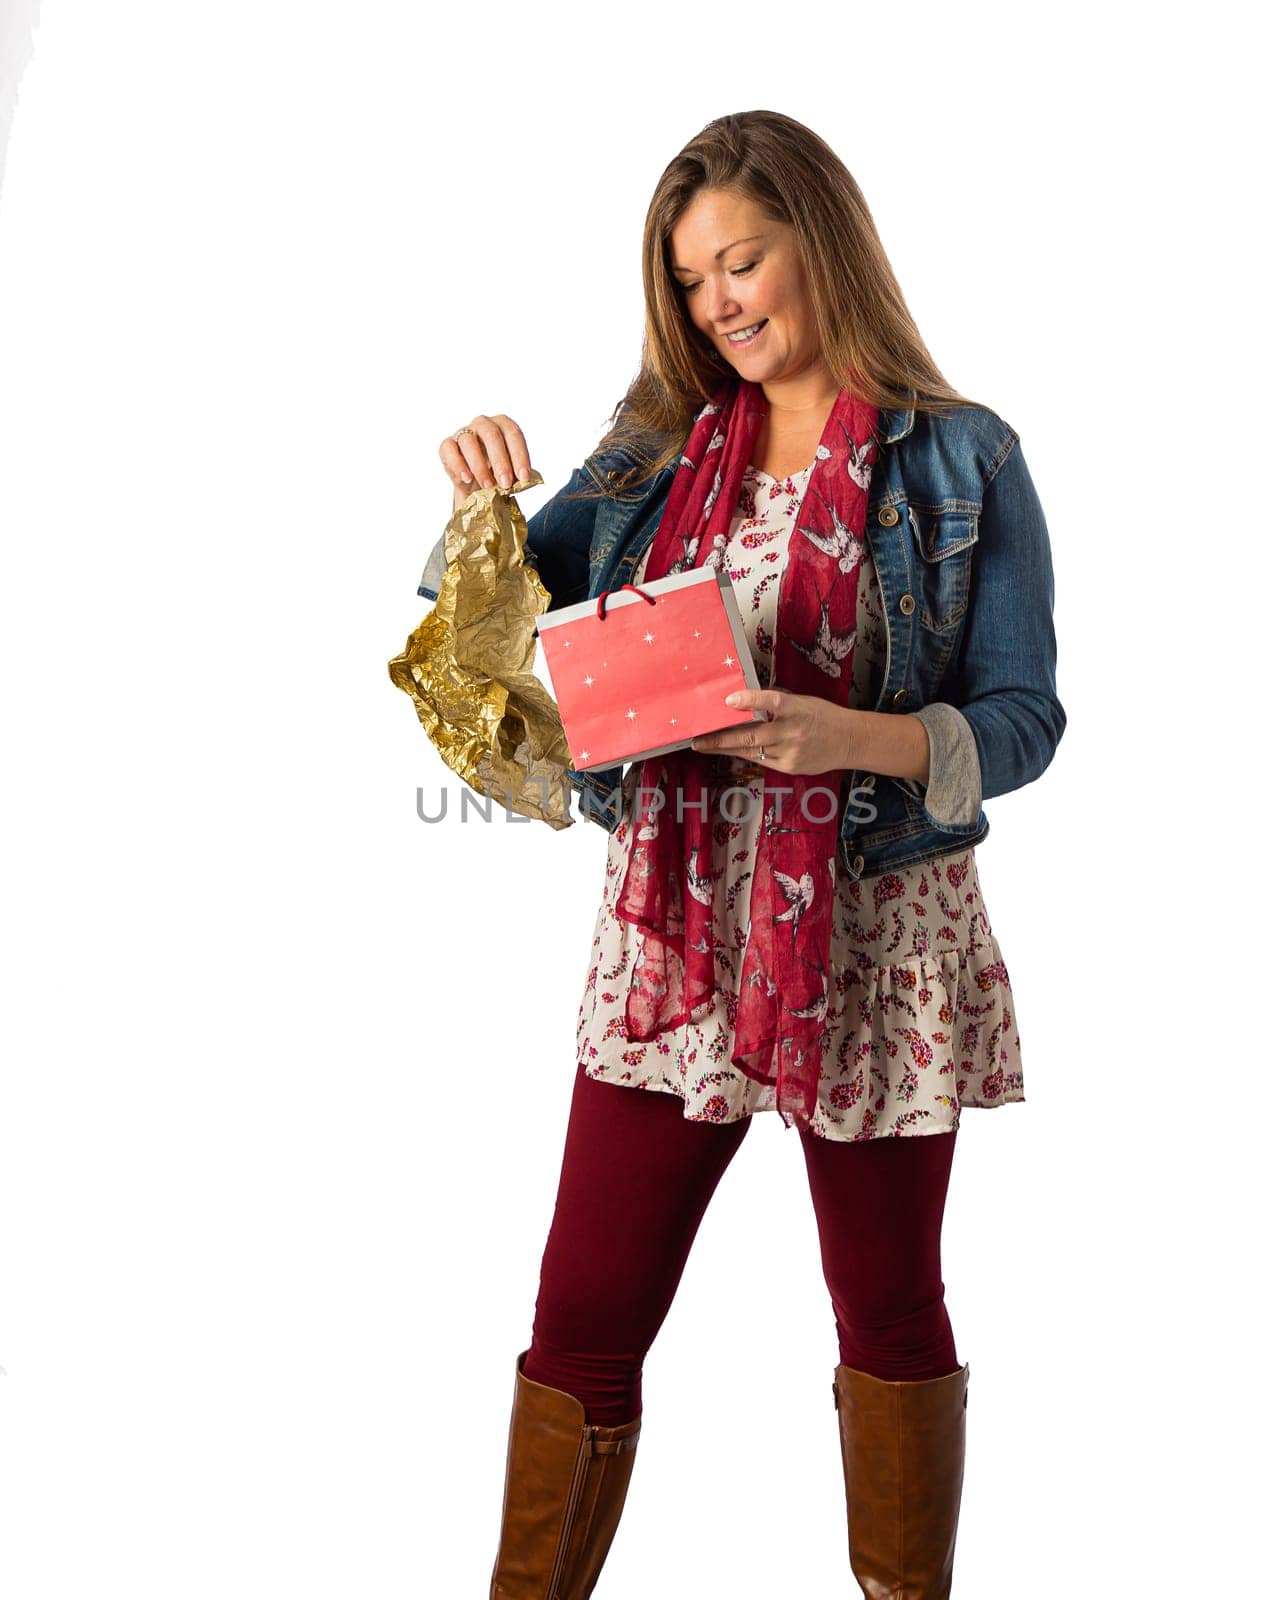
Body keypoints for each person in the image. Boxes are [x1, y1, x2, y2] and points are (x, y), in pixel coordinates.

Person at [420, 110, 1066, 1599]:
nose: (720, 300)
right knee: (583, 1315)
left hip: (880, 938)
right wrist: (474, 515)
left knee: (889, 1315)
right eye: (692, 276)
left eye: (742, 258)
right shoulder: (654, 446)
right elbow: (500, 660)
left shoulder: (961, 456)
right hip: (675, 937)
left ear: (816, 239)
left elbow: (1024, 718)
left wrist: (862, 739)